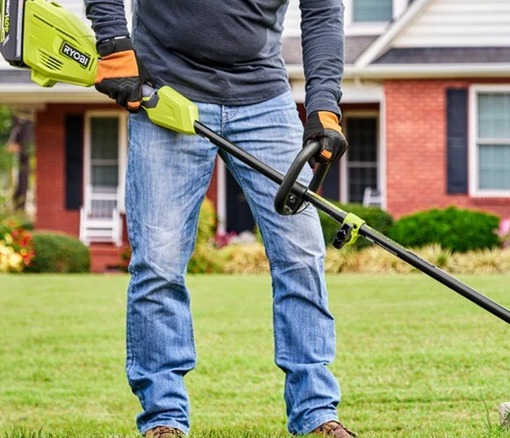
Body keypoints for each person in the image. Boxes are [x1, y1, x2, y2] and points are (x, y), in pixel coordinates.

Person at [83, 0, 353, 437]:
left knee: (301, 256)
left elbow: (322, 8)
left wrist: (324, 101)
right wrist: (114, 43)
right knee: (158, 263)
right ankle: (164, 419)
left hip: (264, 97)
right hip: (167, 92)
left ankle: (316, 413)